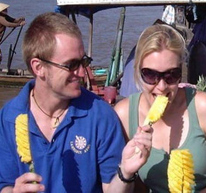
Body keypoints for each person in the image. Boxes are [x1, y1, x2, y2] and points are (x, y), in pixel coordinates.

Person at [0, 12, 152, 192]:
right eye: (71, 65)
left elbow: (112, 188)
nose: (82, 72)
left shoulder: (100, 116)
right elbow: (5, 184)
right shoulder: (9, 117)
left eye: (84, 61)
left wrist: (125, 173)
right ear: (39, 67)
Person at [114, 24, 206, 192]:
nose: (161, 86)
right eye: (150, 75)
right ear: (137, 71)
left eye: (171, 75)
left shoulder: (202, 106)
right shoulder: (123, 114)